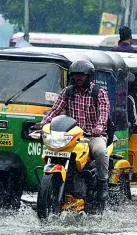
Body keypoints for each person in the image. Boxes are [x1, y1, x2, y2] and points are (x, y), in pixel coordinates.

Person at [40, 60, 111, 202]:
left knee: (100, 152)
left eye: (82, 75)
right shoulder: (67, 92)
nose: (78, 78)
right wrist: (42, 124)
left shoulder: (99, 92)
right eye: (76, 75)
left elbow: (104, 113)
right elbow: (55, 110)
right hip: (71, 135)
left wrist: (99, 127)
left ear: (89, 76)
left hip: (92, 136)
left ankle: (103, 184)